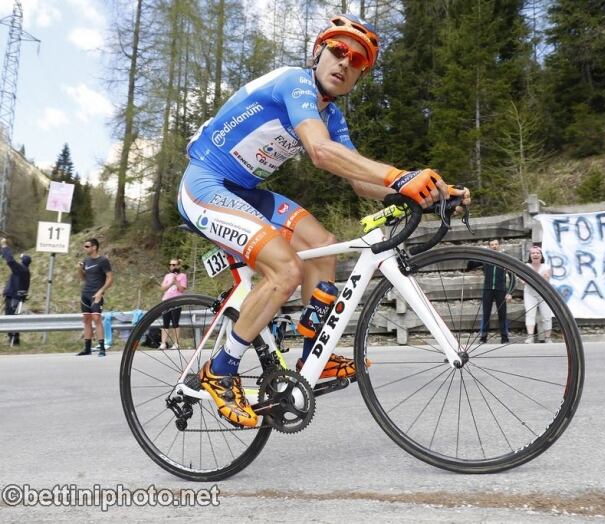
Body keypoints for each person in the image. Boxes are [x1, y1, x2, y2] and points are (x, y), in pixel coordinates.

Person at [177, 13, 470, 428]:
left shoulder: (333, 116)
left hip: (245, 193)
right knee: (286, 269)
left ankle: (313, 353)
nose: (345, 62)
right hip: (205, 184)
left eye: (358, 62)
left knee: (321, 244)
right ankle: (220, 370)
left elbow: (359, 182)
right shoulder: (294, 82)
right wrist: (400, 178)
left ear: (359, 77)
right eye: (339, 50)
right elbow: (320, 152)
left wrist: (432, 191)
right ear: (318, 52)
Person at [469, 239, 515, 344]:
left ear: (499, 246)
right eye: (492, 245)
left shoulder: (504, 259)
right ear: (489, 247)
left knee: (502, 314)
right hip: (488, 289)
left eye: (496, 244)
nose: (494, 246)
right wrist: (473, 254)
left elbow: (512, 276)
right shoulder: (485, 259)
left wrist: (509, 292)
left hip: (500, 289)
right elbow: (470, 265)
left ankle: (504, 337)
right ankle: (483, 337)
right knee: (486, 314)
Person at [76, 238, 114, 356]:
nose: (85, 248)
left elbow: (110, 278)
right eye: (84, 246)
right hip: (85, 293)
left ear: (94, 247)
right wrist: (79, 270)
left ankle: (102, 348)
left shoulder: (103, 260)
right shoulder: (86, 260)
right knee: (86, 320)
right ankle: (87, 348)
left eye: (87, 246)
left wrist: (101, 291)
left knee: (96, 319)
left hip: (96, 294)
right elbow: (84, 278)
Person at [1, 238, 31, 346]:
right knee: (14, 318)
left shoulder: (21, 269)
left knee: (11, 319)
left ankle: (13, 341)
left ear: (22, 261)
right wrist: (3, 249)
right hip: (17, 298)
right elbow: (7, 258)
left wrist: (4, 246)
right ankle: (15, 341)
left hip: (13, 298)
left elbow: (10, 261)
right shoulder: (25, 271)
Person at [523, 245, 553, 344]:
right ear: (530, 255)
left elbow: (546, 281)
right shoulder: (526, 266)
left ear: (541, 255)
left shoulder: (546, 267)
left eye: (537, 253)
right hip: (530, 293)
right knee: (530, 314)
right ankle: (530, 337)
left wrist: (546, 277)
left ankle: (548, 338)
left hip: (543, 294)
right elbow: (522, 280)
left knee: (546, 315)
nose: (535, 255)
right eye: (533, 253)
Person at [159, 258, 187, 349]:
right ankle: (163, 343)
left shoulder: (183, 276)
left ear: (178, 266)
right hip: (166, 300)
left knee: (175, 322)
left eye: (174, 265)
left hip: (176, 301)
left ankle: (176, 343)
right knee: (165, 323)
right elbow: (163, 288)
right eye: (171, 265)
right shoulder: (167, 276)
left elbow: (182, 289)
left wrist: (176, 281)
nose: (172, 266)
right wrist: (171, 282)